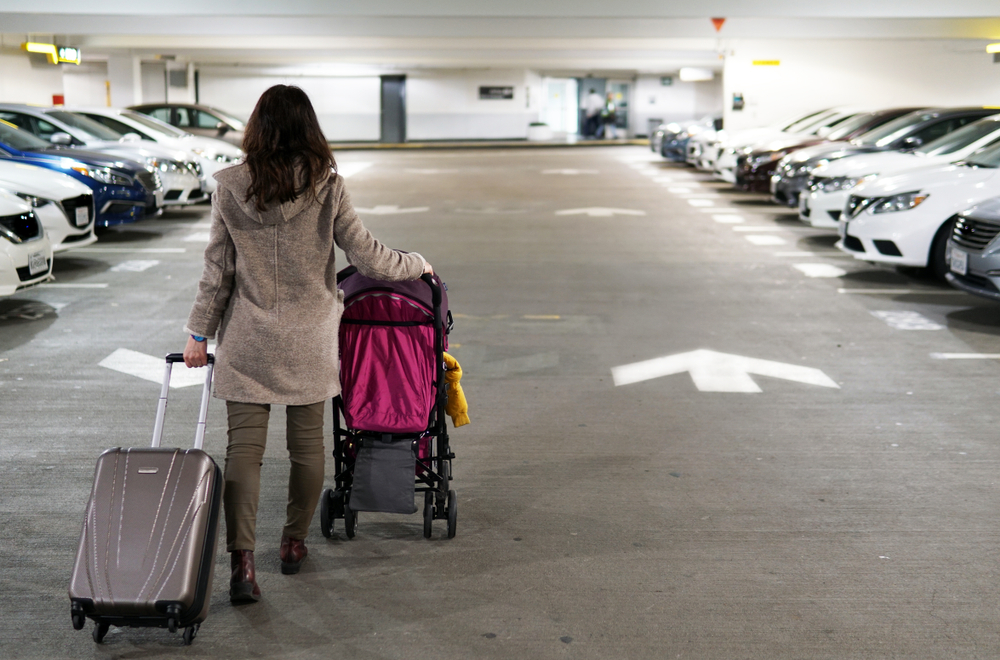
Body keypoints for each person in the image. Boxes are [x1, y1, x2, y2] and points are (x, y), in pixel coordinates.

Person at [182, 85, 432, 605]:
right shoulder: (327, 187)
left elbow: (217, 271)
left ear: (257, 127)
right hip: (310, 338)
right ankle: (293, 543)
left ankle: (243, 565)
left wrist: (198, 333)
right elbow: (367, 257)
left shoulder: (230, 186)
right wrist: (418, 265)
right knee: (308, 450)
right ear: (308, 128)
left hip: (250, 336)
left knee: (244, 453)